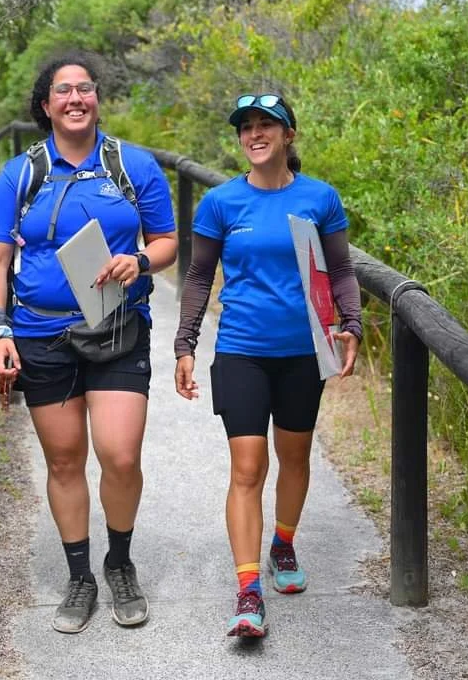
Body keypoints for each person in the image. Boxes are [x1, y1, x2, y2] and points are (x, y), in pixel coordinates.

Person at [0, 53, 178, 634]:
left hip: (116, 326)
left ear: (96, 99)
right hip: (41, 334)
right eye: (63, 91)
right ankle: (79, 577)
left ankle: (119, 563)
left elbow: (166, 240)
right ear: (45, 106)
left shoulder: (132, 165)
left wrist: (139, 261)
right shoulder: (20, 175)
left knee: (120, 454)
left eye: (84, 88)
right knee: (64, 460)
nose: (75, 98)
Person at [173, 92, 362, 638]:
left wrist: (352, 324)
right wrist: (185, 344)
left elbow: (341, 268)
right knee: (248, 467)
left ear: (288, 135)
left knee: (294, 456)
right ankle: (248, 590)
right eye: (246, 127)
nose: (254, 134)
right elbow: (198, 276)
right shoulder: (221, 203)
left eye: (266, 125)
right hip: (242, 350)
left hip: (303, 350)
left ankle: (283, 543)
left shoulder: (319, 198)